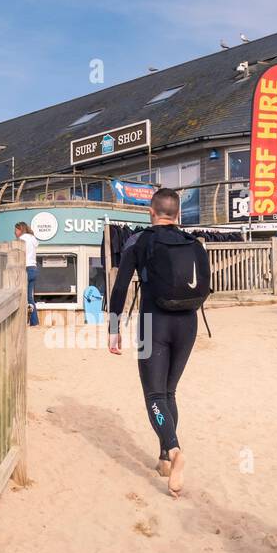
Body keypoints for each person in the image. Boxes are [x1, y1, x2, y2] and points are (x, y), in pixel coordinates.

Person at [107, 188, 203, 497]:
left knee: (153, 396)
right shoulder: (193, 243)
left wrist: (113, 327)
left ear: (151, 212)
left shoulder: (139, 241)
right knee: (169, 391)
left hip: (153, 324)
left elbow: (120, 286)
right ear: (178, 214)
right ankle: (163, 459)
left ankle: (174, 451)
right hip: (188, 323)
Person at [14, 221, 40, 326]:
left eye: (16, 230)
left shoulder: (22, 239)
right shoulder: (33, 239)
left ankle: (21, 322)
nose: (15, 233)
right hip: (33, 268)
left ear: (20, 229)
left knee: (20, 297)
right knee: (29, 298)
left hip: (25, 269)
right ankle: (34, 322)